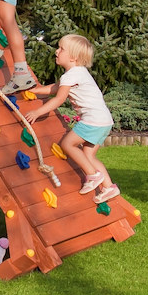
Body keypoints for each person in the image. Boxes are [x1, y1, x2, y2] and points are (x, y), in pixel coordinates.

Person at [24, 34, 120, 204]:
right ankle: (108, 187)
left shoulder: (70, 76)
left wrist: (37, 112)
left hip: (92, 120)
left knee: (68, 144)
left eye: (61, 49)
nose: (57, 51)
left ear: (73, 57)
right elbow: (56, 87)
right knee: (89, 155)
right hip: (104, 120)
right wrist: (37, 90)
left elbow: (59, 99)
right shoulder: (79, 72)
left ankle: (93, 175)